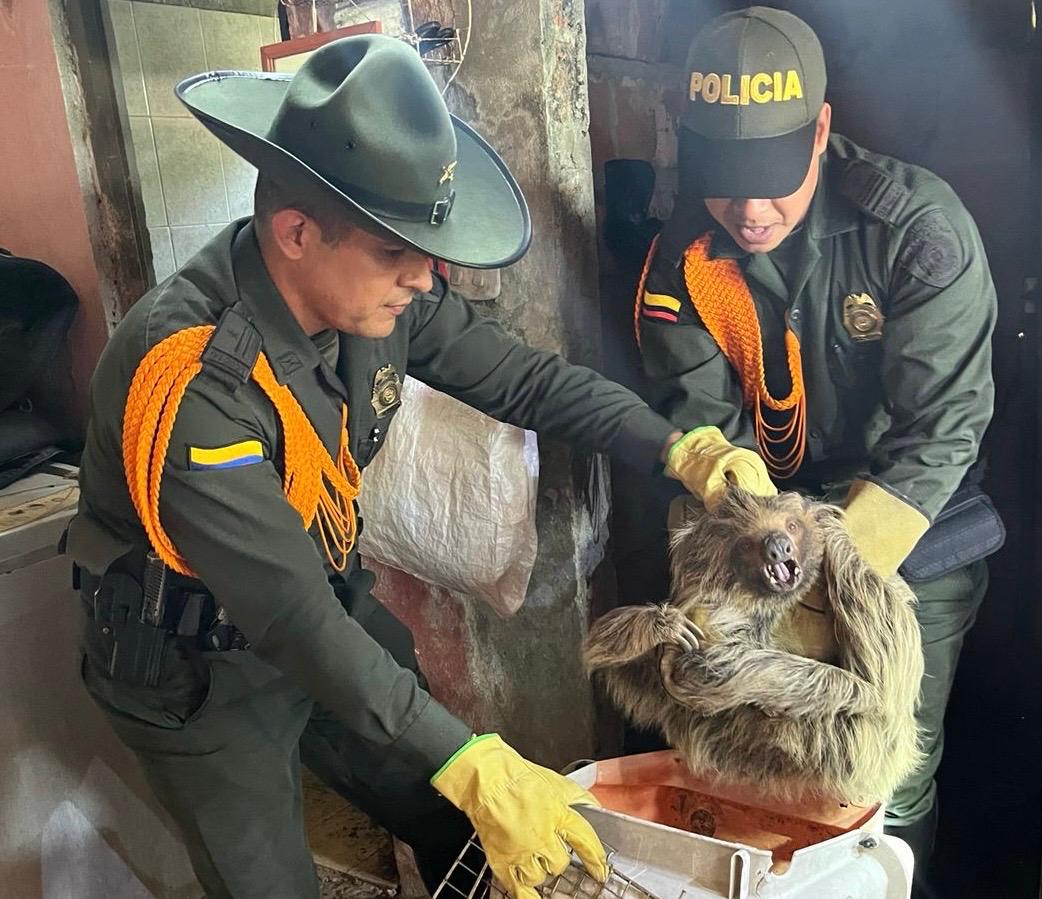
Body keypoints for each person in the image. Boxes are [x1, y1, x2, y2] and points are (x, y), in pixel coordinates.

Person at [66, 35, 775, 899]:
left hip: (319, 604)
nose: (425, 274)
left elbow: (524, 379)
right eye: (397, 250)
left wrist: (678, 449)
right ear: (295, 231)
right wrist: (474, 760)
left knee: (461, 824)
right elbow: (291, 618)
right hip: (196, 665)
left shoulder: (376, 295)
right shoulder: (190, 382)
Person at [630, 7, 1002, 891]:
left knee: (883, 780)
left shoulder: (915, 231)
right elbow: (702, 432)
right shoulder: (683, 260)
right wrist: (761, 568)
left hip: (906, 542)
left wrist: (834, 582)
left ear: (823, 130)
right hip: (758, 541)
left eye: (773, 180)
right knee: (749, 769)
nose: (751, 211)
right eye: (726, 182)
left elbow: (938, 433)